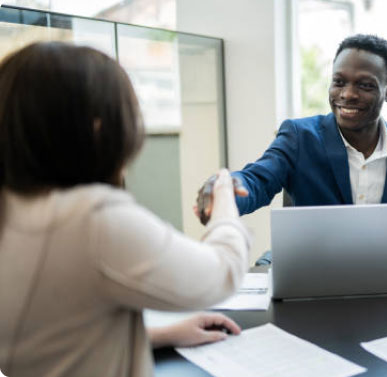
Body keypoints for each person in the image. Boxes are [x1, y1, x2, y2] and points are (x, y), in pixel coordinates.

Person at [0, 42, 250, 377]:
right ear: (98, 126)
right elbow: (223, 273)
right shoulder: (91, 219)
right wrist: (224, 200)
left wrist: (159, 335)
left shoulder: (14, 210)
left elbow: (52, 333)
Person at [200, 34, 387, 259]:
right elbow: (257, 180)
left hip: (385, 277)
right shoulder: (299, 137)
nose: (348, 94)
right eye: (339, 82)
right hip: (312, 270)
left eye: (365, 85)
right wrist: (225, 192)